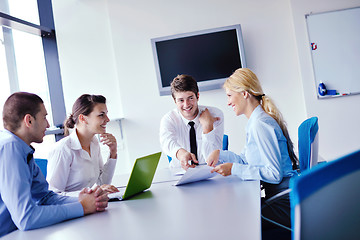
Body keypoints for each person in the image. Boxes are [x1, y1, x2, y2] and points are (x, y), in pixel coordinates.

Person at [0, 92, 108, 237]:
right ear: (29, 120)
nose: (48, 124)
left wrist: (87, 200)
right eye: (44, 117)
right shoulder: (10, 148)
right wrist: (82, 207)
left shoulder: (22, 149)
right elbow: (26, 218)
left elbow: (45, 198)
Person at [206, 68, 298, 237]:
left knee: (236, 219)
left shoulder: (260, 124)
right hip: (280, 197)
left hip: (284, 201)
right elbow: (246, 159)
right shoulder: (255, 122)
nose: (228, 102)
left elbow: (274, 174)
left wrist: (233, 169)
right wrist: (220, 154)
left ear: (244, 93)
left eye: (229, 95)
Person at [47, 94, 119, 195]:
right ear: (83, 119)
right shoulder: (63, 149)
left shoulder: (94, 143)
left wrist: (113, 152)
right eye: (101, 114)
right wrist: (91, 192)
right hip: (71, 209)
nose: (107, 119)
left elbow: (103, 183)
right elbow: (54, 194)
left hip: (89, 207)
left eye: (106, 114)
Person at [160, 74, 224, 170]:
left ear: (197, 96)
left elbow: (211, 159)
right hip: (179, 173)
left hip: (209, 172)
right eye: (181, 100)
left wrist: (207, 127)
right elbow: (167, 143)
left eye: (190, 98)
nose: (186, 105)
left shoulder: (215, 114)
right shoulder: (169, 119)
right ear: (174, 101)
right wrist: (181, 153)